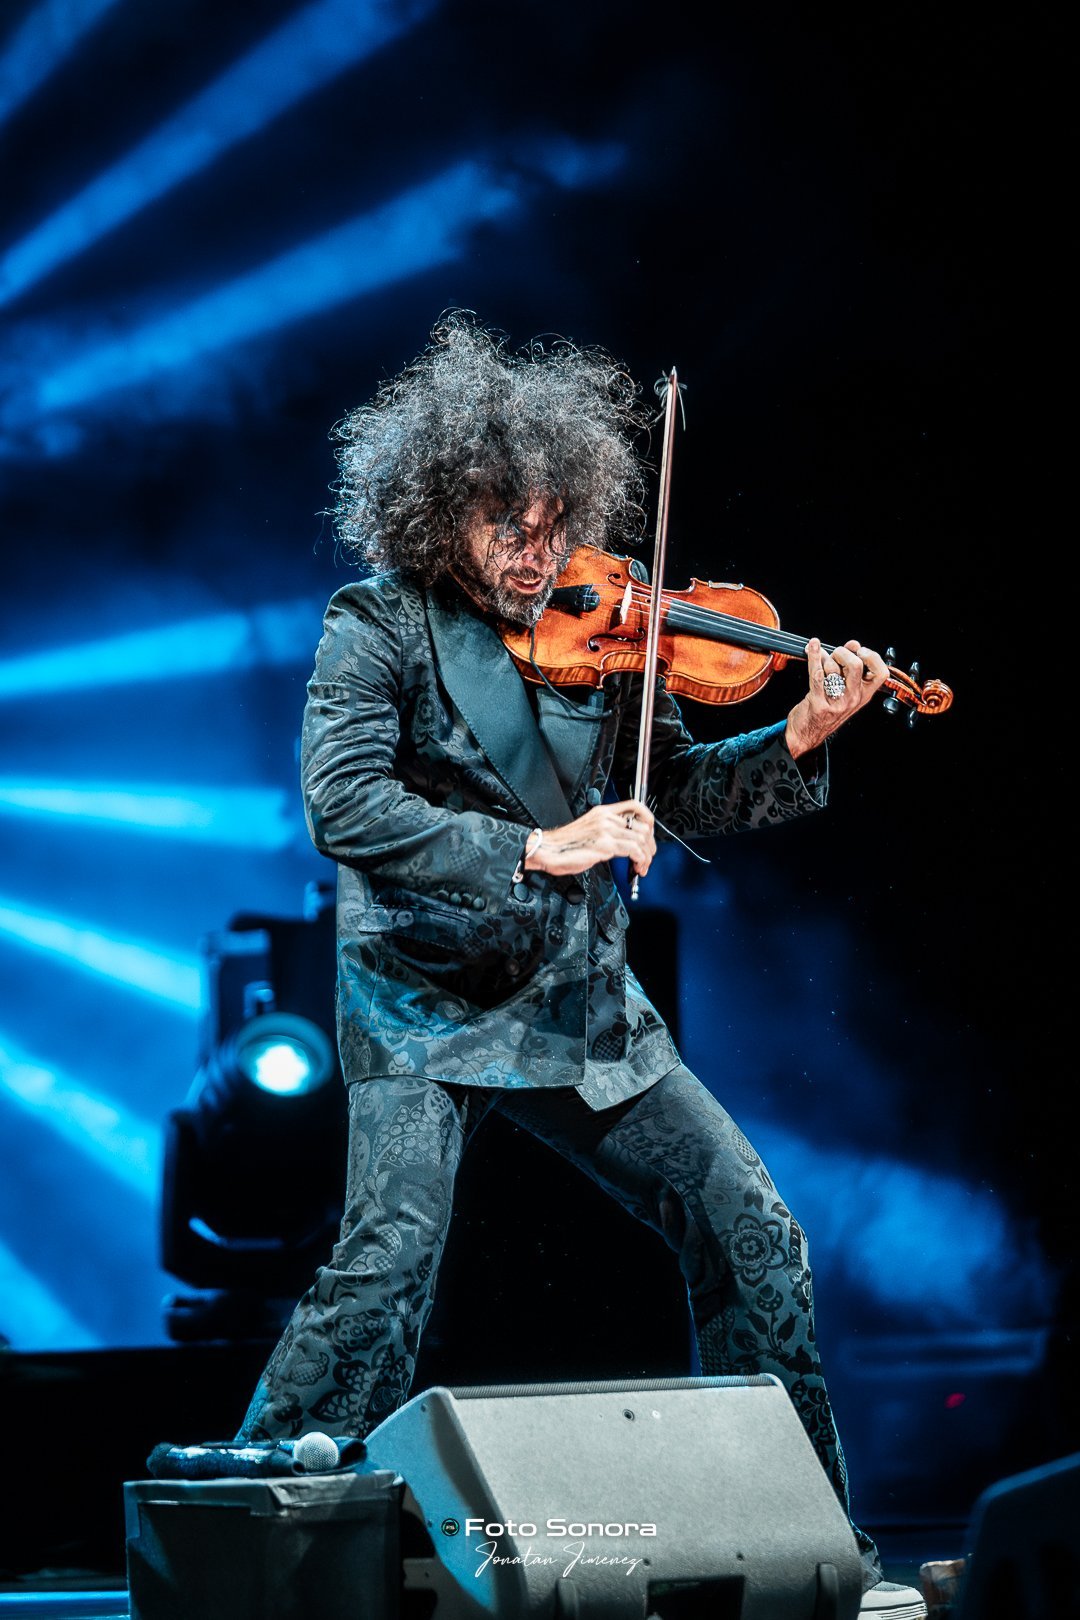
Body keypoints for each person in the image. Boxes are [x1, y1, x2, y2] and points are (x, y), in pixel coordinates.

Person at [236, 312, 927, 1617]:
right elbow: (345, 803)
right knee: (388, 1257)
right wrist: (537, 845)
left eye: (556, 527)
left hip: (576, 996)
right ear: (441, 509)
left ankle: (816, 1545)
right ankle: (256, 1521)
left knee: (755, 1233)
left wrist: (799, 734)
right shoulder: (376, 624)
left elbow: (687, 793)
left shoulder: (604, 631)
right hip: (420, 992)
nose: (536, 554)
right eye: (508, 525)